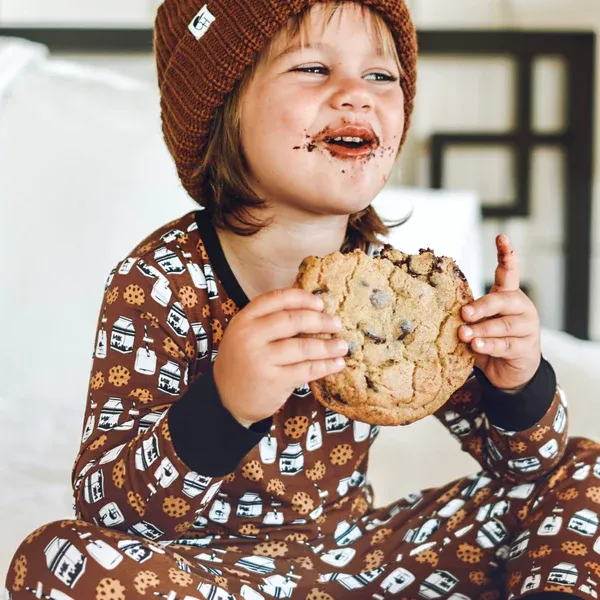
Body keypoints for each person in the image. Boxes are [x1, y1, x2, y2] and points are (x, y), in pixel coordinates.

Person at [5, 1, 600, 598]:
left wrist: (517, 384)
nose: (356, 94)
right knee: (57, 558)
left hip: (360, 564)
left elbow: (524, 467)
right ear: (223, 110)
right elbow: (108, 510)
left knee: (584, 470)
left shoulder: (404, 290)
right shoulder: (160, 281)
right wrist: (223, 405)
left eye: (380, 76)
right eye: (314, 69)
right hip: (209, 577)